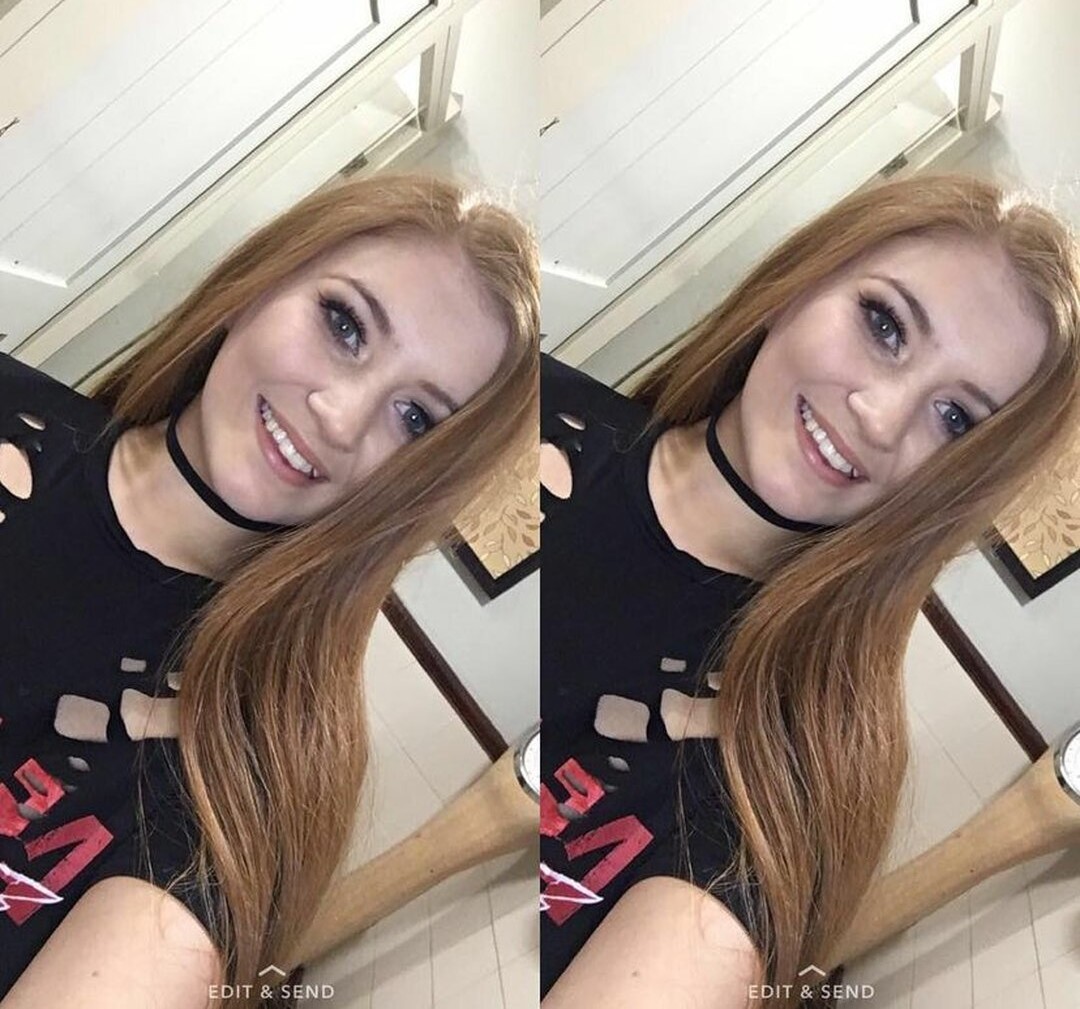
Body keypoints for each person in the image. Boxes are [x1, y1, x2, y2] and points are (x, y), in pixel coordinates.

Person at [538, 174, 1080, 1008]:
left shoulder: (786, 771)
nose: (880, 416)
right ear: (801, 280)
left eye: (956, 419)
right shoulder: (531, 409)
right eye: (885, 325)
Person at [0, 172, 539, 1008]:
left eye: (416, 419)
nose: (340, 416)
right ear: (259, 281)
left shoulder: (241, 776)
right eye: (344, 324)